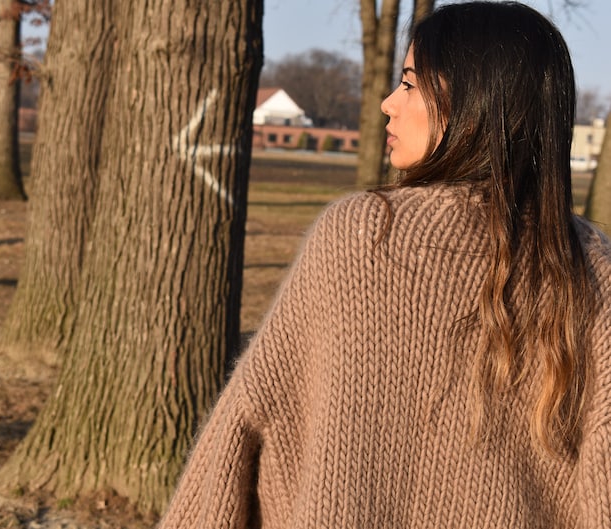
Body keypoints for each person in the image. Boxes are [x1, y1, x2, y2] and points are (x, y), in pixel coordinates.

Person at [159, 2, 611, 528]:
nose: (386, 103)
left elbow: (247, 422)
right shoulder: (594, 271)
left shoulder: (365, 236)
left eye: (410, 84)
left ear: (476, 101)